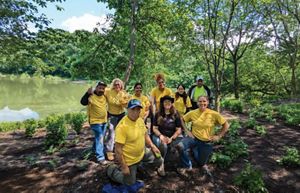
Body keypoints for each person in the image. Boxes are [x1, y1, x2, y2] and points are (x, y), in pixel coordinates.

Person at [106, 99, 164, 185]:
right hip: (130, 159)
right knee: (129, 182)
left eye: (138, 109)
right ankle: (111, 170)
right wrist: (124, 166)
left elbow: (145, 135)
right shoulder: (122, 127)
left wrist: (152, 146)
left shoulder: (140, 120)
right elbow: (118, 150)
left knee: (159, 160)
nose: (135, 112)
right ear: (128, 110)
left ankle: (140, 166)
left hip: (142, 152)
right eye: (133, 109)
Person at [176, 96, 229, 176]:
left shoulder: (214, 114)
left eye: (204, 101)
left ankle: (195, 151)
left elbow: (226, 125)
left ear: (207, 102)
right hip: (193, 138)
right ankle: (187, 165)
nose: (202, 103)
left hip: (206, 141)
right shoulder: (193, 113)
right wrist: (187, 131)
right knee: (180, 146)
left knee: (201, 163)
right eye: (200, 101)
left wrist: (219, 136)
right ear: (197, 103)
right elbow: (182, 119)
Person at [80, 81, 108, 164]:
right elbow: (83, 102)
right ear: (96, 88)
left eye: (103, 88)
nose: (101, 90)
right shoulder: (91, 95)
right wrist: (87, 93)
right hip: (95, 122)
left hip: (104, 121)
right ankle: (100, 157)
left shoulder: (104, 96)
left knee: (99, 137)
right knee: (100, 137)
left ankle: (93, 151)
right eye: (100, 88)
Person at [152, 95, 182, 171]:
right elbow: (154, 128)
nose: (167, 103)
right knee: (163, 145)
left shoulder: (175, 114)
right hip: (159, 136)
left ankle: (178, 164)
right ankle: (161, 164)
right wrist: (161, 136)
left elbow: (178, 129)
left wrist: (172, 138)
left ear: (172, 103)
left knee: (180, 146)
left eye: (169, 101)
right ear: (162, 103)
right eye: (165, 102)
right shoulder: (158, 114)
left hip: (171, 136)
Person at [105, 78, 130, 161]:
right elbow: (99, 90)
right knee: (111, 133)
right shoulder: (108, 91)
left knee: (121, 133)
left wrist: (125, 103)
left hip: (121, 115)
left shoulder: (124, 93)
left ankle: (120, 149)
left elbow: (127, 105)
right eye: (115, 84)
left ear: (121, 85)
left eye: (118, 84)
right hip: (112, 115)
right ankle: (109, 151)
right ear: (113, 85)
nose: (117, 86)